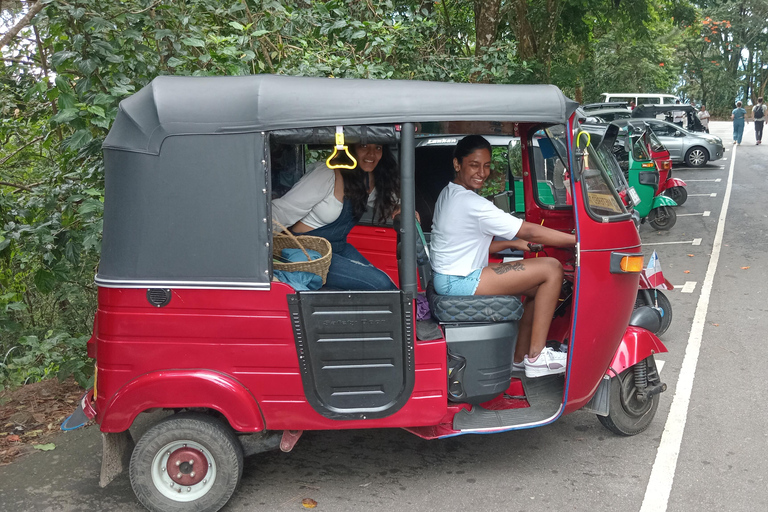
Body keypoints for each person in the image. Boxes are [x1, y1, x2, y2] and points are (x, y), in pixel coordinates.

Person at [430, 135, 577, 378]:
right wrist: (578, 240)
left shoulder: (449, 193)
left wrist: (514, 243)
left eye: (487, 165)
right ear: (457, 164)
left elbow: (466, 245)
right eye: (474, 165)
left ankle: (519, 358)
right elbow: (528, 229)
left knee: (535, 287)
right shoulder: (470, 203)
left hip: (449, 278)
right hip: (460, 281)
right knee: (551, 268)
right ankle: (538, 357)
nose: (482, 172)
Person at [272, 143, 399, 291]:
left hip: (337, 247)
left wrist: (402, 209)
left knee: (389, 286)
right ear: (350, 148)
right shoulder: (326, 175)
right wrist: (257, 247)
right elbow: (281, 211)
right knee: (380, 283)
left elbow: (385, 200)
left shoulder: (367, 178)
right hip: (308, 252)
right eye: (364, 146)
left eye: (378, 148)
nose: (371, 154)